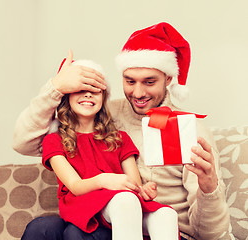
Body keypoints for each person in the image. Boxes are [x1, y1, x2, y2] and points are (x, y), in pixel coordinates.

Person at [13, 22, 230, 240]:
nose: (138, 92)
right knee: (41, 228)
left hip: (157, 225)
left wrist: (209, 188)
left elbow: (213, 234)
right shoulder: (104, 115)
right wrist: (56, 87)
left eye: (149, 82)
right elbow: (24, 142)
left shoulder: (190, 129)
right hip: (105, 216)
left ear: (169, 78)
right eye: (130, 81)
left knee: (80, 232)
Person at [41, 59, 179, 240]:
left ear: (103, 97)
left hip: (122, 203)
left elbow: (133, 185)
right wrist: (104, 180)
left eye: (95, 91)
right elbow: (75, 186)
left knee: (166, 215)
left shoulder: (119, 138)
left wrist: (143, 190)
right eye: (81, 90)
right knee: (125, 200)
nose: (88, 95)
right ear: (66, 97)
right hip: (84, 203)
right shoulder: (54, 140)